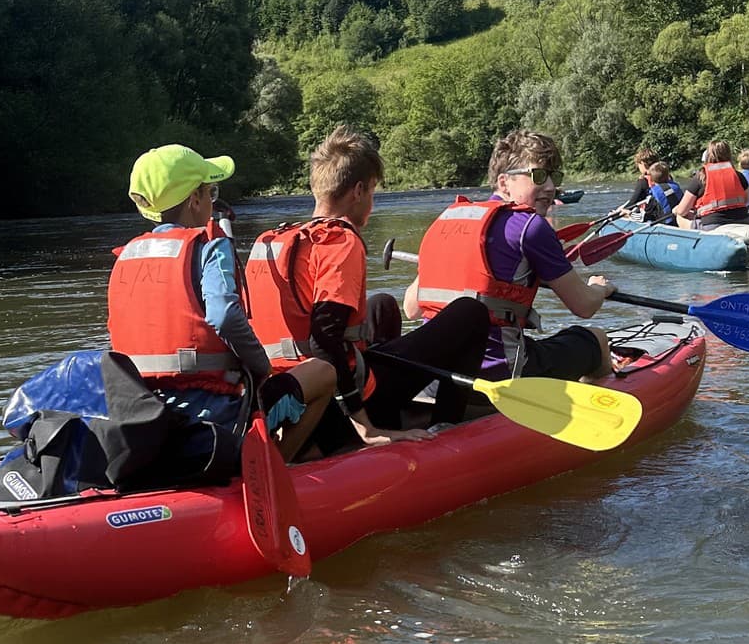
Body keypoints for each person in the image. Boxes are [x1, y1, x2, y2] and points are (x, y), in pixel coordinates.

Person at [246, 124, 488, 453]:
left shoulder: (273, 241)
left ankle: (392, 413)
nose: (371, 204)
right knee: (471, 313)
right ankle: (446, 427)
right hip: (333, 407)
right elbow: (324, 339)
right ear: (358, 191)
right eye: (372, 192)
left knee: (382, 305)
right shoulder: (340, 241)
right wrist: (365, 426)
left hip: (288, 393)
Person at [107, 143, 337, 466]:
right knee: (323, 373)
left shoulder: (126, 258)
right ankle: (272, 468)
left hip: (148, 418)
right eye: (210, 192)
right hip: (218, 417)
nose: (211, 201)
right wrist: (262, 366)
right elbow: (224, 315)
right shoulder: (210, 248)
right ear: (195, 199)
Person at [407, 129, 616, 382]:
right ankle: (599, 412)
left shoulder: (447, 220)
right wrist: (599, 288)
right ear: (504, 182)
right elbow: (584, 306)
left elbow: (411, 309)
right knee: (596, 338)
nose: (551, 187)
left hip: (433, 373)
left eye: (554, 176)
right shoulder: (531, 227)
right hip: (500, 375)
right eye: (538, 175)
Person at [675, 139, 749, 226]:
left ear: (709, 154)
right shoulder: (738, 175)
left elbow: (682, 211)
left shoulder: (701, 177)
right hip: (743, 220)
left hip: (713, 224)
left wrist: (676, 210)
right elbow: (746, 200)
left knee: (679, 216)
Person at [641, 159, 685, 225]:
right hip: (679, 221)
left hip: (665, 223)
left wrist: (630, 214)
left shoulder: (653, 196)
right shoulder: (676, 187)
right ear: (668, 176)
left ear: (652, 180)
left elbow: (646, 216)